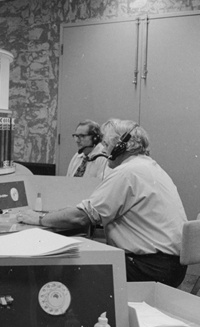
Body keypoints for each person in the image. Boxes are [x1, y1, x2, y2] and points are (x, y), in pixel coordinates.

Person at [18, 119, 187, 287]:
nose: (104, 151)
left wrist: (39, 218)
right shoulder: (148, 167)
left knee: (65, 268)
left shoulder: (127, 172)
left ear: (121, 146)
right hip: (169, 266)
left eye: (106, 144)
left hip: (149, 267)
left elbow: (80, 218)